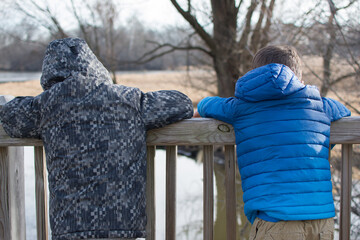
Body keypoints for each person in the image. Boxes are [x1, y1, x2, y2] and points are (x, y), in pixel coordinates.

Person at [0, 38, 193, 240]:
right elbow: (183, 103)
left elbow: (10, 117)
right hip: (123, 225)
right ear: (93, 64)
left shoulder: (45, 106)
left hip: (68, 227)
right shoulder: (129, 99)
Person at [194, 45, 351, 240]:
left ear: (255, 74)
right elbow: (344, 111)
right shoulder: (320, 105)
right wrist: (322, 148)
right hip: (321, 220)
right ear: (299, 79)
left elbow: (208, 104)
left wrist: (198, 110)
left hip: (276, 220)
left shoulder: (241, 107)